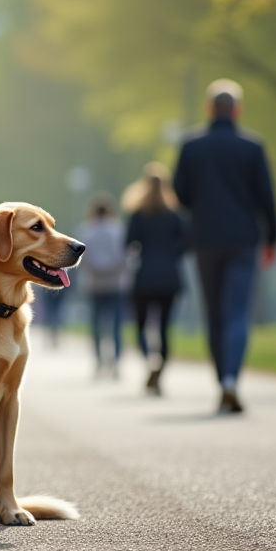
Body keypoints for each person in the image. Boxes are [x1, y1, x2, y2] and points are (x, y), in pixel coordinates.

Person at [174, 79, 276, 414]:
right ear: (237, 109)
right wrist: (273, 238)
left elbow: (181, 194)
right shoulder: (253, 147)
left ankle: (222, 382)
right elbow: (267, 198)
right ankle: (232, 379)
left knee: (215, 314)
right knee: (237, 313)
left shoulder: (192, 146)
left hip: (205, 240)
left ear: (208, 108)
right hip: (243, 240)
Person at [122, 163, 186, 396]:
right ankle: (160, 369)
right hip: (170, 277)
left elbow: (128, 243)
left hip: (145, 277)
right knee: (165, 328)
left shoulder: (138, 215)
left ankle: (151, 361)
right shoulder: (174, 215)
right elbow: (185, 244)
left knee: (141, 326)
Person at [77, 192, 127, 378]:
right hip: (115, 283)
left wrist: (96, 269)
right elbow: (125, 257)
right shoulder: (118, 230)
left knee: (96, 325)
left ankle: (98, 361)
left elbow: (83, 258)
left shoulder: (86, 231)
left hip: (95, 283)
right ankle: (116, 362)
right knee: (116, 325)